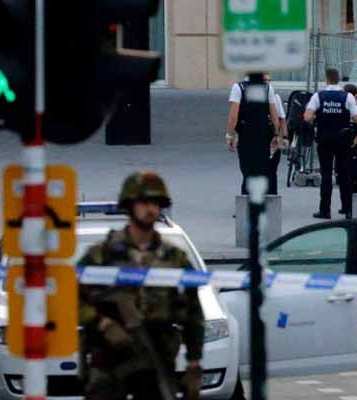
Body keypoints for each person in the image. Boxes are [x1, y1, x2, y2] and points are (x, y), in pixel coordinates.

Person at [77, 171, 204, 400]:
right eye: (144, 202)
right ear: (130, 205)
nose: (151, 209)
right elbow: (69, 297)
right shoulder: (102, 255)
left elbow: (192, 311)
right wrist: (102, 323)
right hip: (110, 359)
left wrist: (194, 362)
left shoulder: (174, 258)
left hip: (155, 359)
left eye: (156, 203)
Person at [304, 68, 357, 219]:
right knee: (344, 173)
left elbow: (307, 117)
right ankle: (347, 209)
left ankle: (324, 210)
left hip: (324, 138)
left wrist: (316, 117)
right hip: (343, 139)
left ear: (326, 80)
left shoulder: (318, 96)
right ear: (338, 79)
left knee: (326, 173)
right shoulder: (347, 97)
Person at [226, 74, 281, 195]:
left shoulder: (238, 87)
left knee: (247, 169)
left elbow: (233, 116)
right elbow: (274, 115)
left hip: (246, 134)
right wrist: (276, 135)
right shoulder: (267, 88)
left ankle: (246, 201)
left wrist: (230, 135)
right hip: (263, 134)